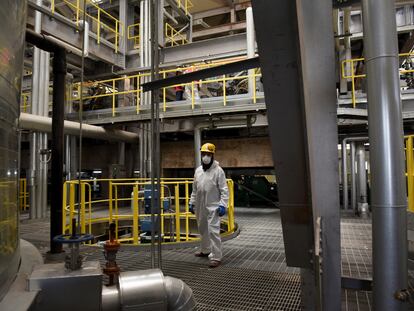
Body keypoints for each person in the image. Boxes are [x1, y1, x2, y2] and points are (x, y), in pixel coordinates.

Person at [189, 143, 229, 268]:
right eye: (203, 154)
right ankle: (205, 249)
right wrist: (192, 202)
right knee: (202, 228)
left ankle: (216, 257)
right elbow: (195, 189)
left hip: (213, 206)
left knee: (213, 231)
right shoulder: (198, 170)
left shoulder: (218, 171)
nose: (205, 156)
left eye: (208, 154)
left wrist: (223, 205)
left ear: (212, 155)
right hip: (200, 205)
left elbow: (224, 190)